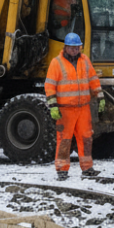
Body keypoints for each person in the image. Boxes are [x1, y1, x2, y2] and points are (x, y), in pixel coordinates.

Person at [45, 33, 106, 180]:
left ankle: (87, 168)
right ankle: (62, 169)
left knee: (86, 138)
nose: (74, 50)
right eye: (72, 48)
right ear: (65, 47)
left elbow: (93, 79)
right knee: (64, 139)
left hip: (83, 108)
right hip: (65, 109)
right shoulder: (56, 63)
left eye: (77, 48)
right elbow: (50, 85)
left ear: (80, 47)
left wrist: (100, 96)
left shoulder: (85, 61)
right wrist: (53, 106)